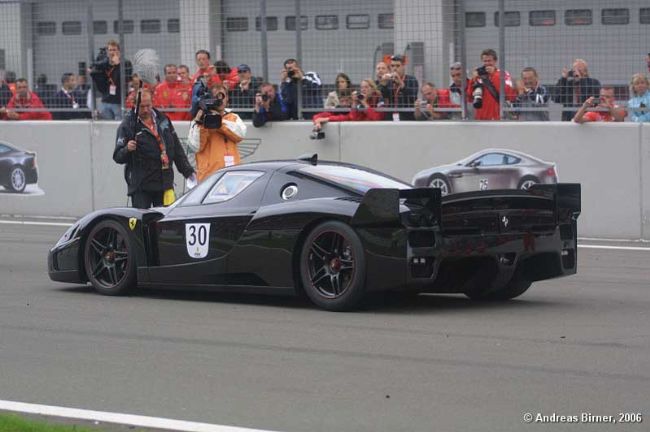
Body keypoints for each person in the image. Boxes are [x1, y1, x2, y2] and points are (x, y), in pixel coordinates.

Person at [113, 90, 195, 208]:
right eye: (142, 107)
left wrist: (188, 172)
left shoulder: (163, 120)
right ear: (134, 105)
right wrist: (127, 149)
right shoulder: (127, 125)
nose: (146, 110)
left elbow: (176, 148)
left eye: (148, 105)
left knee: (166, 218)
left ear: (152, 103)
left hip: (164, 183)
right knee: (142, 219)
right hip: (141, 187)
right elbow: (117, 156)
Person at [187, 83, 246, 182]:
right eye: (216, 96)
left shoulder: (233, 117)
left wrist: (218, 121)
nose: (220, 100)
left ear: (227, 98)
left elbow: (240, 134)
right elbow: (195, 146)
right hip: (209, 177)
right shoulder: (199, 120)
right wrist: (201, 123)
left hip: (232, 175)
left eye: (222, 96)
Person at [311, 79, 384, 134]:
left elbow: (376, 118)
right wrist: (354, 103)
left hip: (375, 131)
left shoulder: (378, 98)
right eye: (362, 88)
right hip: (361, 131)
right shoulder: (357, 101)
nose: (363, 90)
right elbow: (353, 118)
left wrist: (365, 103)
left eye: (366, 87)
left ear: (372, 88)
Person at [469, 49, 516, 120]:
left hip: (498, 117)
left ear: (495, 61)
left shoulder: (503, 74)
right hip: (481, 117)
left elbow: (508, 93)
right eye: (485, 61)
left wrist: (494, 74)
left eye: (489, 61)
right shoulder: (479, 74)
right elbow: (469, 97)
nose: (487, 63)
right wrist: (473, 79)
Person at [89, 40, 132, 120]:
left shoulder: (126, 63)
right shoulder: (105, 63)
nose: (112, 52)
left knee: (120, 123)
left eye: (114, 50)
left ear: (119, 51)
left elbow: (125, 79)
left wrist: (118, 65)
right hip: (106, 100)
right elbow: (96, 72)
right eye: (110, 50)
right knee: (106, 124)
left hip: (119, 101)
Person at [377, 54, 419, 120]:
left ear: (403, 66)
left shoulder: (411, 79)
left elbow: (413, 97)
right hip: (391, 117)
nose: (395, 68)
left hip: (407, 117)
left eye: (397, 66)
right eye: (392, 66)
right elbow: (385, 97)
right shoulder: (389, 80)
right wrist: (384, 85)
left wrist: (401, 83)